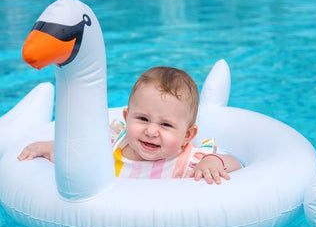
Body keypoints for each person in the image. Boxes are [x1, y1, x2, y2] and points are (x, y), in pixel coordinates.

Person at [18, 66, 241, 184]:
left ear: (187, 135)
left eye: (166, 125)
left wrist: (213, 161)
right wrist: (51, 146)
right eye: (142, 119)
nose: (151, 131)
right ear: (127, 116)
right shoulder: (113, 141)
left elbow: (237, 165)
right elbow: (79, 150)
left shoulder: (188, 159)